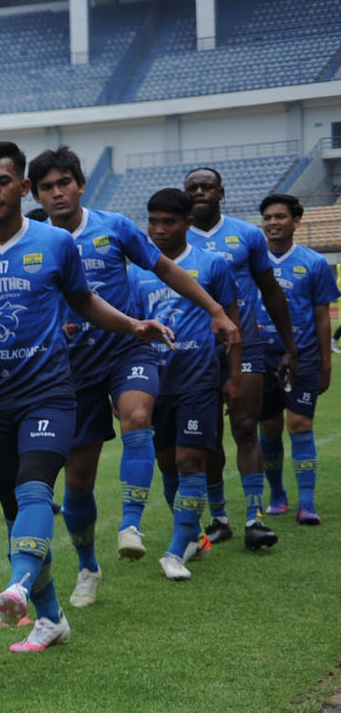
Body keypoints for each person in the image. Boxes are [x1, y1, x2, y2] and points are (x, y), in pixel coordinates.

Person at [0, 142, 172, 653]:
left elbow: (84, 302)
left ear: (21, 188)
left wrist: (132, 326)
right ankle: (51, 616)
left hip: (49, 394)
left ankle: (16, 585)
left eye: (3, 180)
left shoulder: (57, 244)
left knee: (35, 489)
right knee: (14, 512)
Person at [26, 148, 237, 601]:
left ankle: (130, 526)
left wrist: (216, 310)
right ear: (37, 194)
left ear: (81, 185)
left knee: (137, 417)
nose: (57, 192)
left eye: (64, 182)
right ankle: (88, 568)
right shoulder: (33, 241)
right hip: (71, 368)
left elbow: (165, 268)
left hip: (128, 350)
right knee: (78, 481)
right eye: (47, 187)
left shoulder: (115, 227)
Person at [183, 167, 297, 548]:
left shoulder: (246, 235)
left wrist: (289, 346)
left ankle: (254, 517)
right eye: (193, 188)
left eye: (207, 187)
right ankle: (219, 518)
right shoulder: (175, 239)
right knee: (209, 438)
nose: (200, 192)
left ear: (221, 192)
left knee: (246, 427)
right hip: (196, 351)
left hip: (244, 345)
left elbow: (271, 291)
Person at [133, 188, 241, 577]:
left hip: (199, 379)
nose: (159, 230)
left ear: (187, 224)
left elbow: (231, 322)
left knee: (189, 460)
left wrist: (233, 374)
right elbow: (129, 329)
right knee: (166, 464)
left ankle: (176, 551)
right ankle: (194, 534)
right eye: (153, 222)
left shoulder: (211, 264)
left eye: (169, 222)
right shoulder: (136, 271)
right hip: (153, 382)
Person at [255, 194, 337, 523]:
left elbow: (321, 316)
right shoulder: (253, 262)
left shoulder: (313, 262)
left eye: (280, 217)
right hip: (263, 360)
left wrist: (326, 364)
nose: (273, 222)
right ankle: (277, 494)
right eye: (268, 217)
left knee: (300, 424)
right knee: (270, 427)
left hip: (299, 359)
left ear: (296, 222)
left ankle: (307, 502)